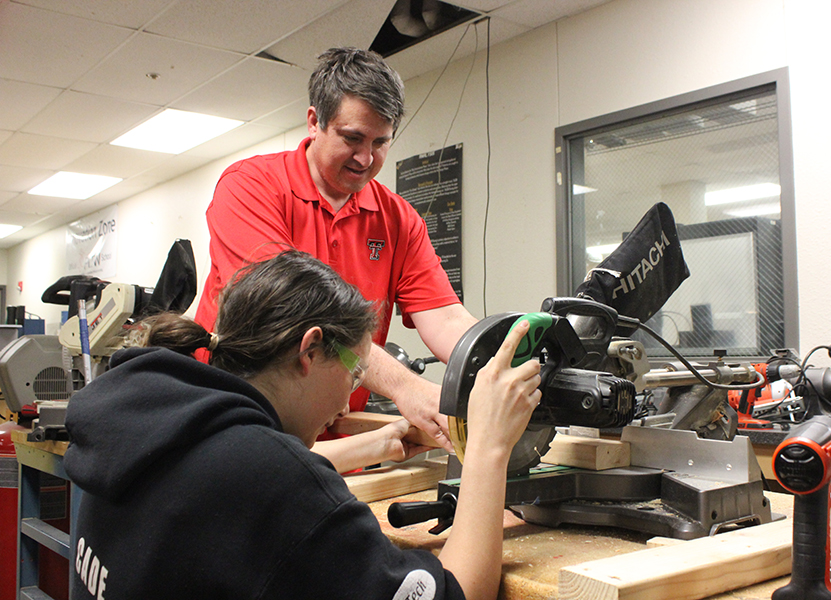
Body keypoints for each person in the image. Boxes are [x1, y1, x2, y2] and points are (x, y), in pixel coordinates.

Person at [63, 250, 541, 600]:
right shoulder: (271, 478)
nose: (346, 397)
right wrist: (487, 449)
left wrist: (377, 444)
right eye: (355, 372)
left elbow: (236, 479)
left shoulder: (149, 417)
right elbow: (457, 596)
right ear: (309, 350)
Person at [195, 47, 478, 451]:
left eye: (381, 142)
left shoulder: (397, 219)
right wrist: (406, 386)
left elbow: (446, 317)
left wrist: (494, 371)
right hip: (234, 426)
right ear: (315, 122)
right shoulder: (251, 187)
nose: (366, 158)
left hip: (334, 432)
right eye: (353, 138)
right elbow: (292, 314)